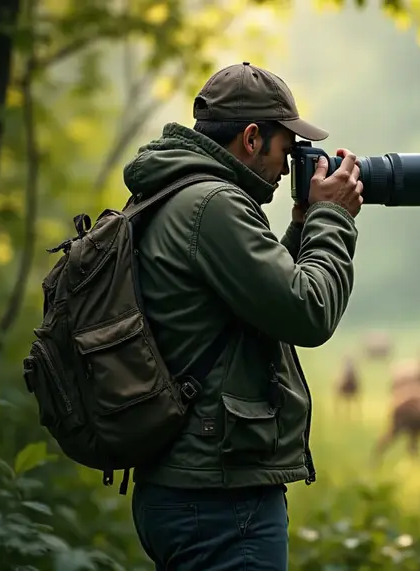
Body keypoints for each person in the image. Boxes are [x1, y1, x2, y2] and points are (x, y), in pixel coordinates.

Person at [123, 61, 363, 570]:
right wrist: (334, 217)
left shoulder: (177, 191)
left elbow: (253, 306)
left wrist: (301, 226)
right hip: (220, 497)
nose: (290, 163)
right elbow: (308, 311)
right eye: (287, 147)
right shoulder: (214, 204)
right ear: (252, 138)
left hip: (186, 483)